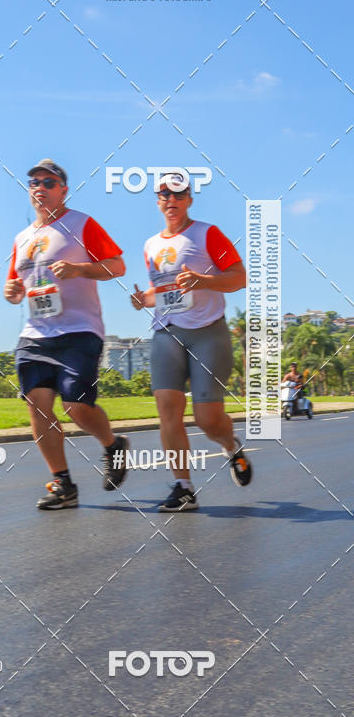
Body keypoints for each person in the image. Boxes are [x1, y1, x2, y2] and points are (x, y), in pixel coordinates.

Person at [4, 158, 129, 509]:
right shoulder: (23, 238)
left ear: (63, 190)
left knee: (76, 406)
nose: (39, 187)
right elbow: (13, 284)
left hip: (79, 330)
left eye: (47, 182)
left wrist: (79, 269)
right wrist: (11, 291)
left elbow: (117, 266)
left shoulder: (81, 223)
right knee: (39, 409)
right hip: (35, 335)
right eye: (33, 182)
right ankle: (63, 484)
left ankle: (112, 445)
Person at [131, 171, 252, 512]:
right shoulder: (150, 245)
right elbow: (164, 291)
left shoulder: (207, 233)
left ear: (189, 200)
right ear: (158, 201)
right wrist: (145, 299)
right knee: (168, 409)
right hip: (167, 331)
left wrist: (203, 280)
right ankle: (183, 487)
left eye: (178, 195)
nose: (171, 201)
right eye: (164, 196)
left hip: (207, 332)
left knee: (207, 420)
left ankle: (230, 445)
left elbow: (239, 278)